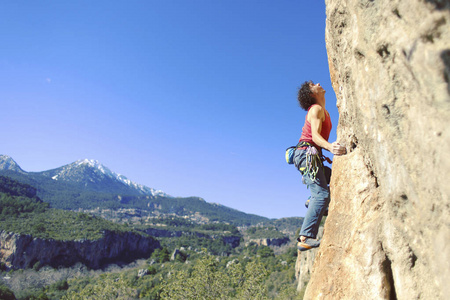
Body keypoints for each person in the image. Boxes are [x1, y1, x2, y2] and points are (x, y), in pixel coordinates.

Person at [294, 80, 346, 251]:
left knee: (336, 179)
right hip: (307, 153)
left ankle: (314, 202)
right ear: (312, 94)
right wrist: (331, 147)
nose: (317, 83)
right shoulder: (316, 109)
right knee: (322, 194)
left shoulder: (325, 112)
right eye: (312, 84)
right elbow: (315, 136)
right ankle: (306, 237)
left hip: (311, 154)